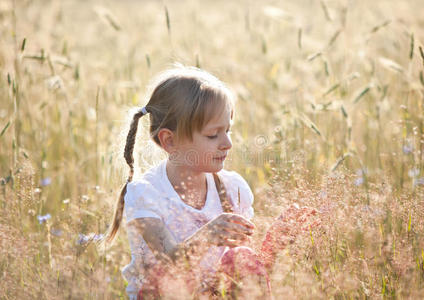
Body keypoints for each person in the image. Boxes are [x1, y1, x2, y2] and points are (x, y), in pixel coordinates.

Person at [103, 65, 319, 299]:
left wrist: (274, 243)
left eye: (228, 131)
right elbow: (170, 265)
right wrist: (207, 235)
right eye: (212, 135)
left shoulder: (232, 189)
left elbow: (247, 277)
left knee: (243, 258)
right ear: (170, 141)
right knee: (163, 280)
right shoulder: (147, 193)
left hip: (212, 294)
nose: (227, 143)